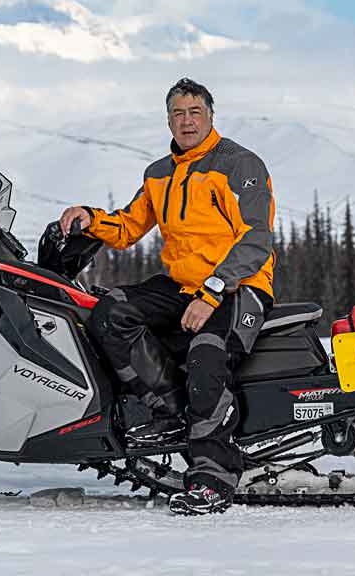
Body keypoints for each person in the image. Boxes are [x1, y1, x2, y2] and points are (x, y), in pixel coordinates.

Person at [59, 78, 276, 516]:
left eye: (195, 112)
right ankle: (170, 412)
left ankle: (213, 474)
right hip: (180, 287)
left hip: (239, 286)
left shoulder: (239, 164)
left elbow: (256, 240)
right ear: (168, 120)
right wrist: (90, 218)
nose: (187, 120)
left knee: (208, 353)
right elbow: (128, 226)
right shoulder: (159, 173)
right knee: (109, 312)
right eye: (178, 113)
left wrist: (213, 292)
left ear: (211, 116)